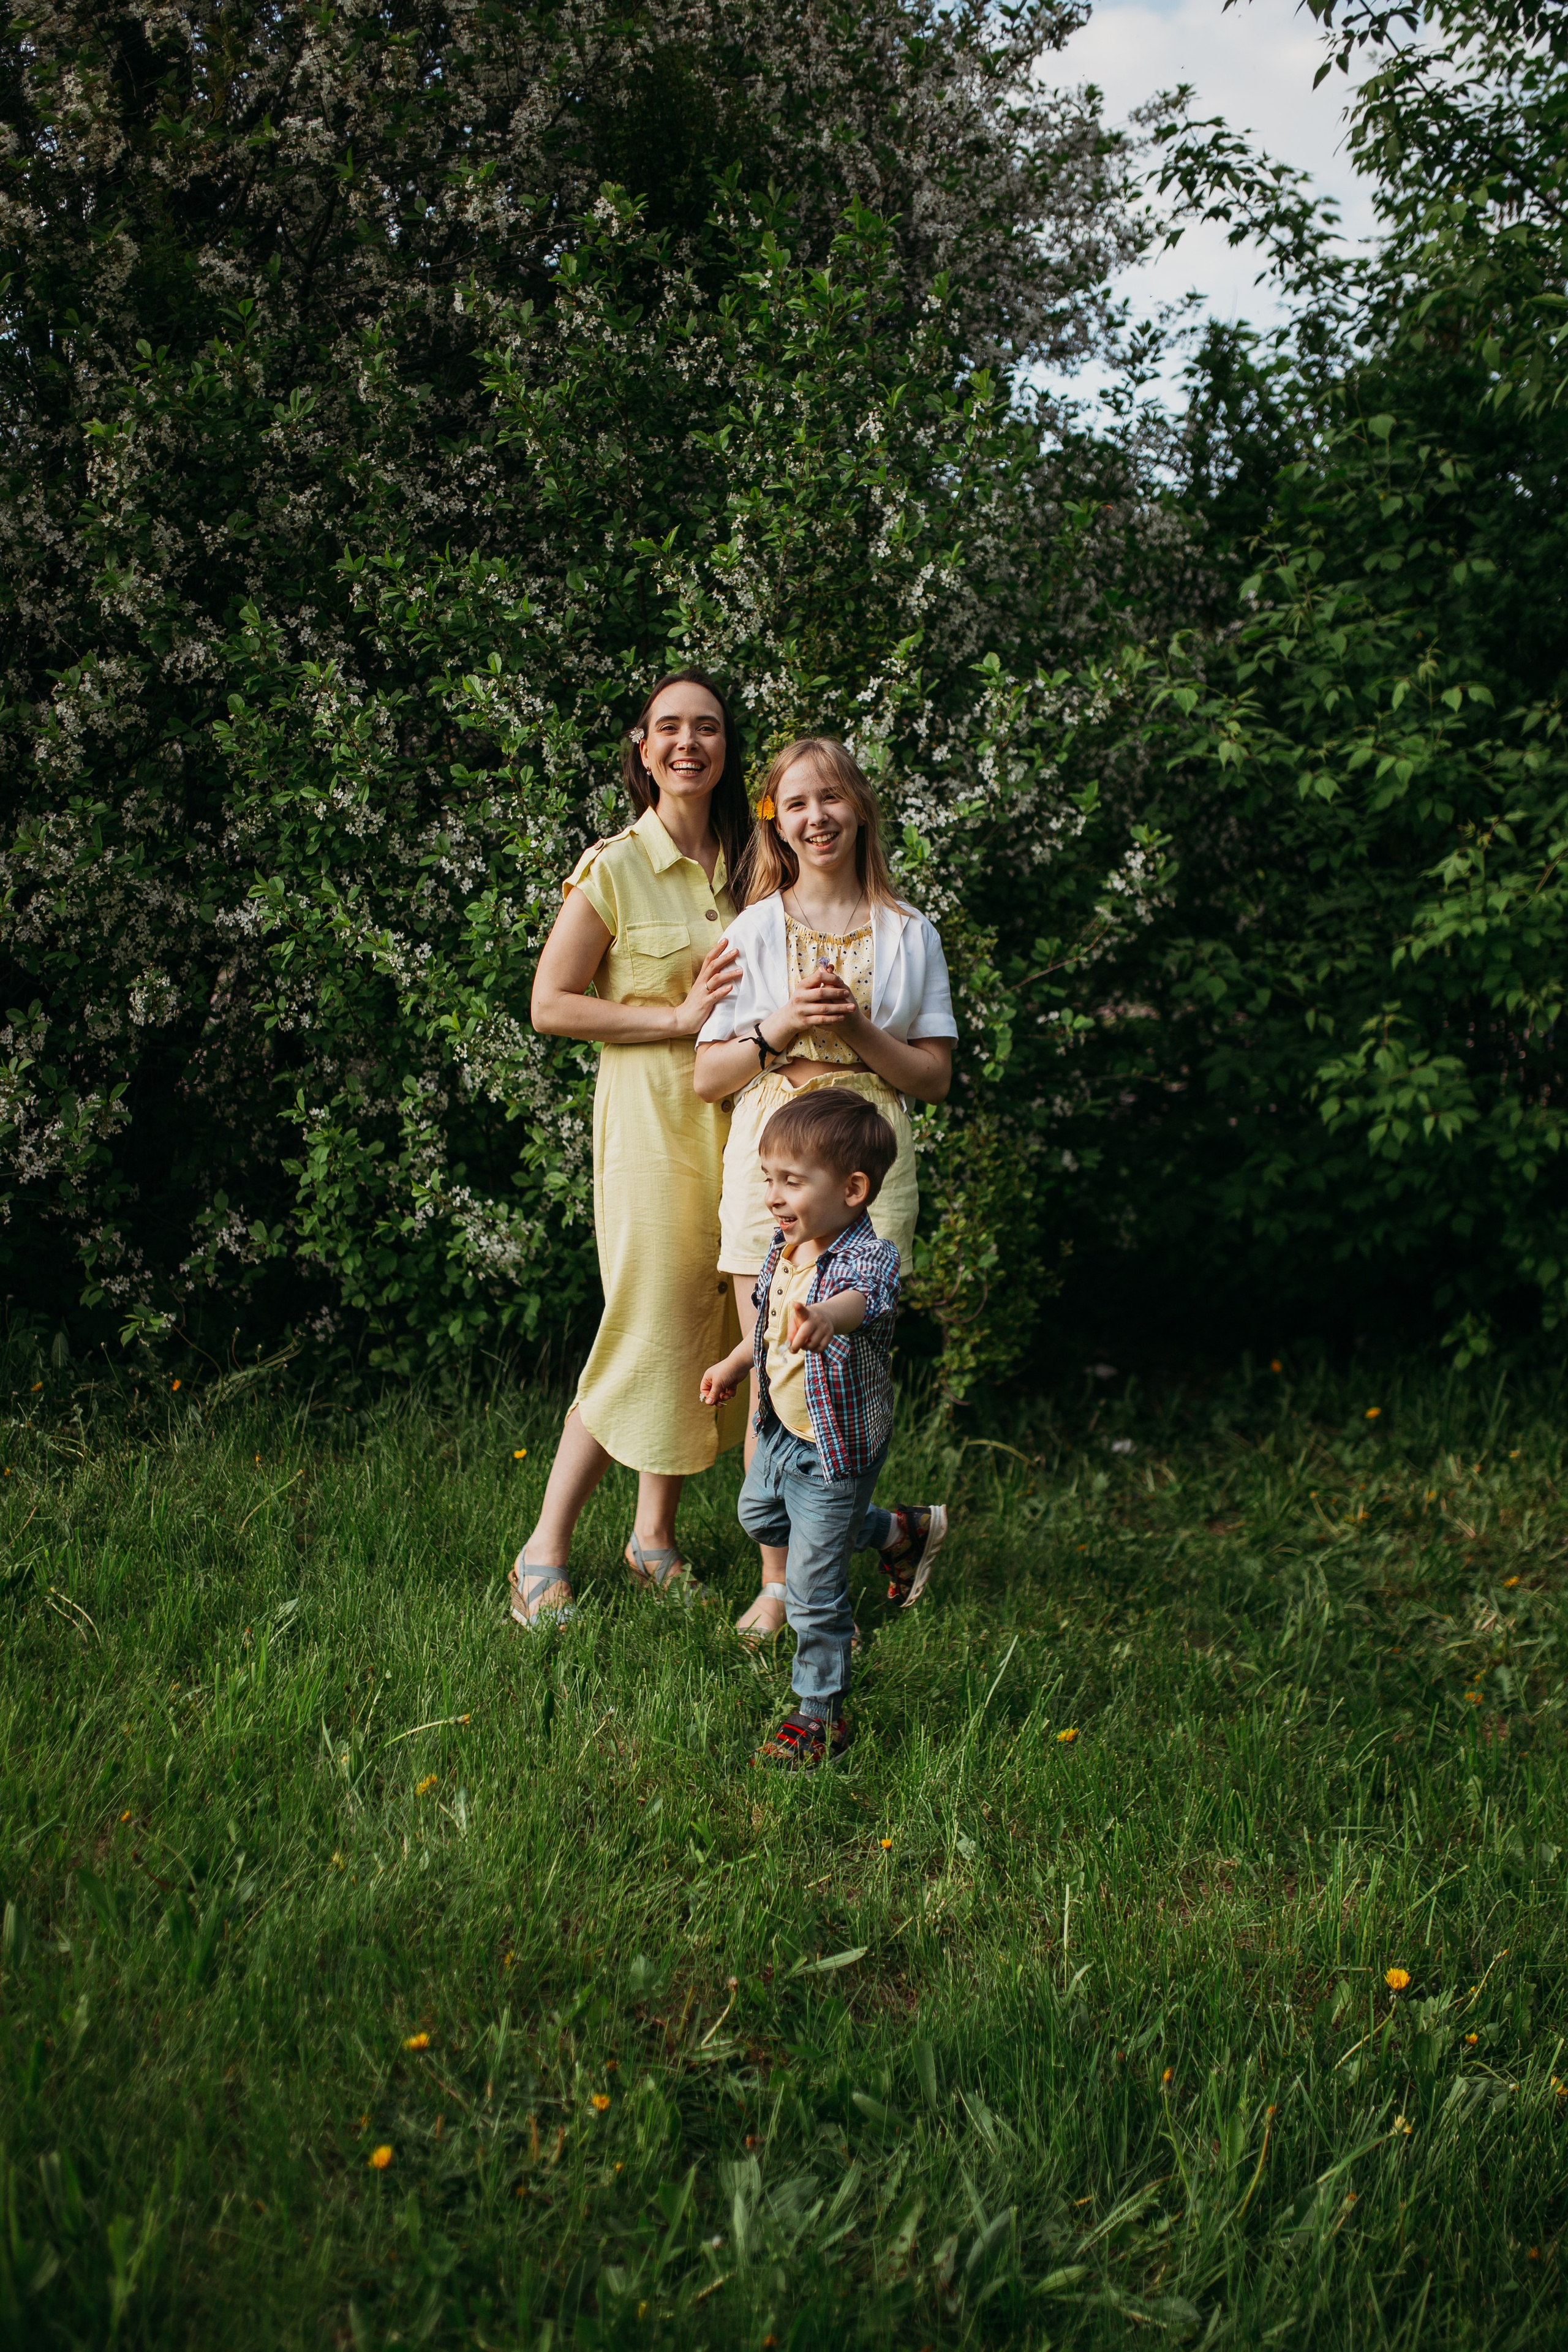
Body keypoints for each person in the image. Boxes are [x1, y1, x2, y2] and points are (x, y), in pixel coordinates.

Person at [693, 737, 956, 1643]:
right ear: (776, 819)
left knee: (848, 1366)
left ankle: (859, 1530)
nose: (817, 817)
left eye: (833, 798)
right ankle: (784, 1580)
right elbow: (706, 1075)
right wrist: (785, 1023)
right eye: (796, 803)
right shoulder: (753, 929)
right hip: (770, 1158)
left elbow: (931, 1078)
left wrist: (861, 1028)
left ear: (862, 809)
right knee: (772, 1357)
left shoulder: (910, 933)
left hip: (866, 1161)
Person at [510, 668, 750, 1627]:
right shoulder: (613, 866)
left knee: (709, 1321)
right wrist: (678, 1015)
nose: (688, 743)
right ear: (643, 752)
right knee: (647, 1323)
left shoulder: (752, 860)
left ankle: (653, 1539)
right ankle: (542, 1554)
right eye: (669, 729)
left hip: (739, 1123)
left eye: (708, 729)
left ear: (726, 751)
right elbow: (550, 1004)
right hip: (650, 1126)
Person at [699, 1090, 947, 1766]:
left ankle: (820, 1718)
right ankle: (900, 1532)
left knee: (813, 1590)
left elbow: (857, 1301)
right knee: (758, 1517)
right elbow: (767, 1329)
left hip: (836, 1449)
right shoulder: (785, 1252)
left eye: (791, 1182)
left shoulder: (869, 1258)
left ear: (853, 1188)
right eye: (768, 1180)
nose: (773, 1197)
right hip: (780, 1432)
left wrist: (826, 1319)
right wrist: (732, 1361)